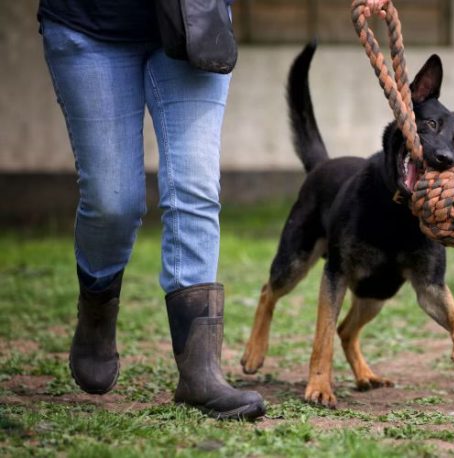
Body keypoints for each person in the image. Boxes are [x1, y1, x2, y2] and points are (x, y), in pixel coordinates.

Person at [38, 0, 389, 421]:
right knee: (113, 201)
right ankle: (97, 302)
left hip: (193, 22)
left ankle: (199, 372)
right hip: (89, 24)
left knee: (196, 188)